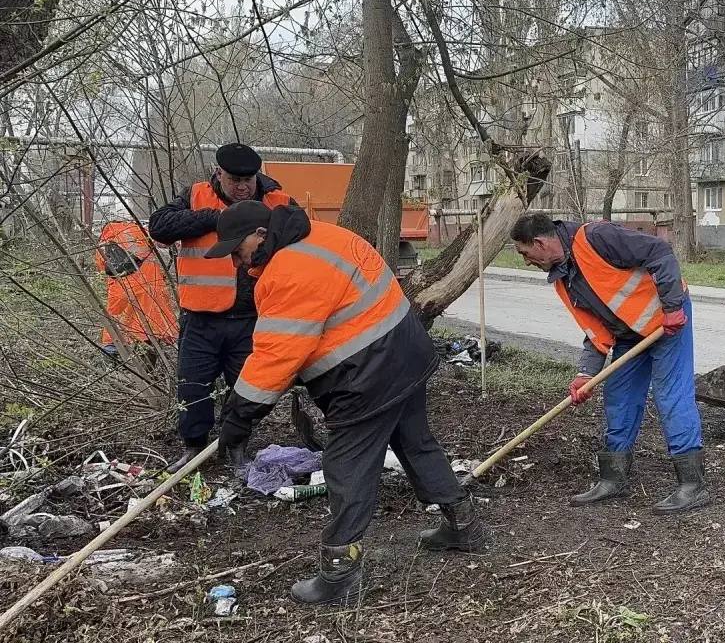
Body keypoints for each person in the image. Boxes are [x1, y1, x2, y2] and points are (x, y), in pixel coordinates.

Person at [208, 200, 486, 606]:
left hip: (367, 375)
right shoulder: (325, 235)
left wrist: (238, 418)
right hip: (406, 354)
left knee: (346, 466)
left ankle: (339, 572)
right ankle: (464, 526)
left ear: (262, 235)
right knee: (415, 441)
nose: (236, 261)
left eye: (237, 250)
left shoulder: (287, 270)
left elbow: (276, 355)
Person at [509, 212, 709, 515]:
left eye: (525, 253)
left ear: (539, 242)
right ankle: (613, 478)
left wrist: (672, 307)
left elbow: (659, 251)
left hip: (667, 323)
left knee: (670, 395)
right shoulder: (564, 278)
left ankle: (692, 485)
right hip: (627, 334)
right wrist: (584, 374)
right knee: (619, 399)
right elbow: (594, 331)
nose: (526, 261)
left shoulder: (596, 237)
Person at [149, 144, 295, 473]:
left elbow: (303, 237)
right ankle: (194, 448)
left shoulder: (277, 201)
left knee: (246, 387)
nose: (242, 187)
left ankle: (237, 447)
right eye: (234, 180)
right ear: (219, 174)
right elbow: (159, 226)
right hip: (200, 318)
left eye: (248, 180)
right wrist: (217, 219)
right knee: (193, 385)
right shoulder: (196, 195)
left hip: (251, 318)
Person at [95, 221, 178, 358]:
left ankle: (113, 352)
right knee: (152, 326)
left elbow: (101, 266)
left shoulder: (105, 240)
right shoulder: (142, 234)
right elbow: (164, 255)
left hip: (120, 290)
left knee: (118, 323)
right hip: (150, 284)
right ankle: (150, 357)